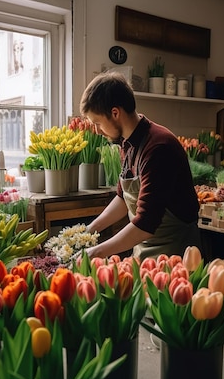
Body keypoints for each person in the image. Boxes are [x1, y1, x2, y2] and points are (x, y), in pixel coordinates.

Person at [80, 71, 201, 260]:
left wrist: (95, 252)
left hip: (176, 253)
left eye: (97, 123)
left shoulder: (158, 148)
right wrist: (89, 230)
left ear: (115, 113)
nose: (97, 131)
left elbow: (146, 223)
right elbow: (122, 198)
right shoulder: (127, 143)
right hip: (144, 250)